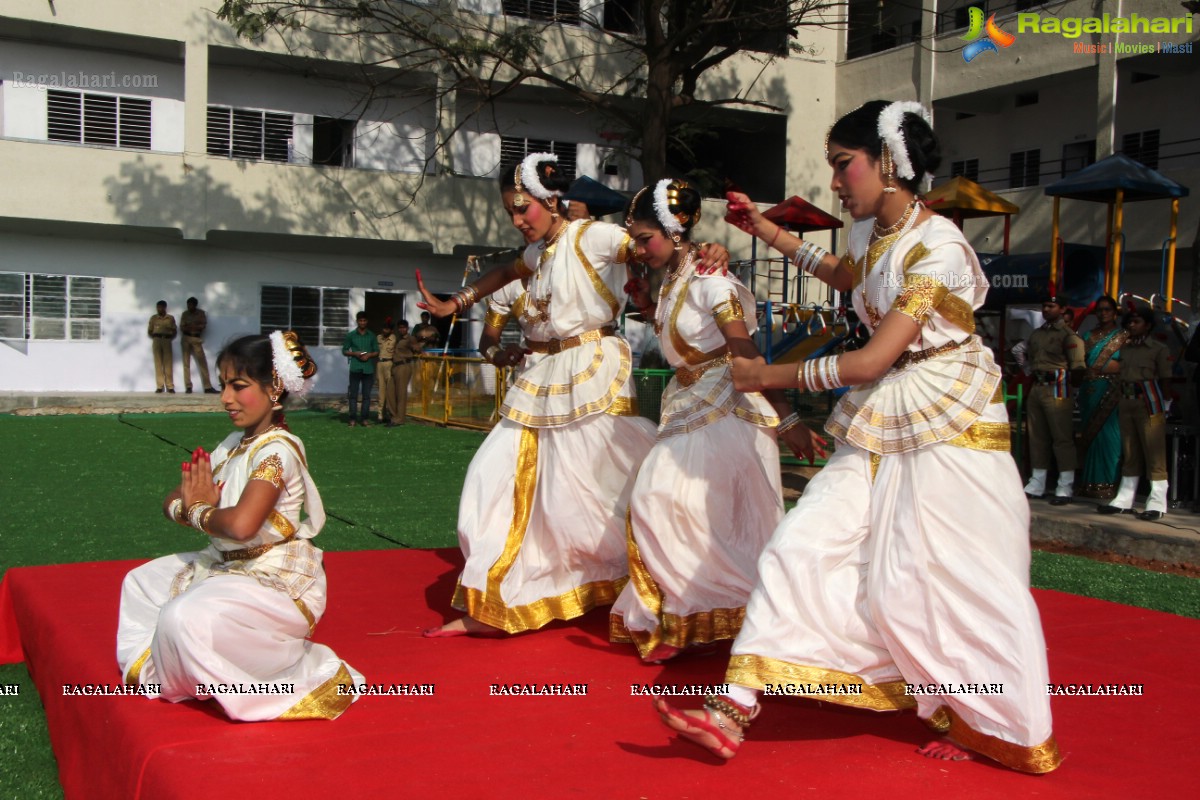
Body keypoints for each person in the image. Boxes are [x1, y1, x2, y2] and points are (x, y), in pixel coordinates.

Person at [654, 101, 1061, 774]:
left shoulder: (941, 250)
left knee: (944, 578)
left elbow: (872, 359)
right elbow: (852, 278)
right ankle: (732, 710)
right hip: (887, 410)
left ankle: (1000, 725)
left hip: (945, 421)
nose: (837, 184)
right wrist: (766, 230)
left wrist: (765, 375)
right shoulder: (880, 236)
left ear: (891, 162)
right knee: (799, 542)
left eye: (844, 166)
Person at [417, 152, 728, 637]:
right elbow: (502, 274)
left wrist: (704, 248)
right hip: (544, 373)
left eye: (524, 209)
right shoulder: (538, 254)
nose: (518, 220)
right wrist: (457, 301)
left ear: (552, 198)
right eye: (510, 213)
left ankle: (655, 576)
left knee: (592, 488)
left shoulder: (594, 236)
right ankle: (505, 596)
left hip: (591, 367)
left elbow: (653, 247)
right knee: (494, 475)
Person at [609, 178, 825, 662]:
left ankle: (718, 610)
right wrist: (644, 303)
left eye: (647, 239)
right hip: (689, 402)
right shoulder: (675, 281)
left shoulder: (713, 281)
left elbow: (745, 351)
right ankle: (703, 613)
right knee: (697, 514)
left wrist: (787, 418)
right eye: (637, 240)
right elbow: (682, 338)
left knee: (671, 501)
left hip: (728, 406)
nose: (640, 249)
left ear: (675, 230)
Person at [116, 331, 364, 720]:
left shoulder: (278, 451)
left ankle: (257, 675)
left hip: (274, 580)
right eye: (224, 386)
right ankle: (188, 672)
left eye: (239, 386)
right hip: (227, 564)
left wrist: (196, 511)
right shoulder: (234, 443)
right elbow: (172, 500)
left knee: (181, 617)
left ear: (275, 388)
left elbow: (243, 525)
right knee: (140, 583)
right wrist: (200, 510)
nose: (226, 398)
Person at [1098, 308, 1172, 520]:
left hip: (1148, 401)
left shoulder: (1158, 348)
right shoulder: (1126, 348)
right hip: (1127, 400)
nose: (1131, 325)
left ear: (1148, 325)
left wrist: (1167, 404)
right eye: (1129, 322)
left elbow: (1166, 378)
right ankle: (1124, 498)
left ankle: (1157, 502)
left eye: (1137, 321)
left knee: (1154, 451)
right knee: (1130, 450)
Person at [1021, 296, 1086, 504]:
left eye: (1051, 306)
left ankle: (1065, 485)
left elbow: (1077, 368)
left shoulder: (1068, 336)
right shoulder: (1037, 334)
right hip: (1038, 387)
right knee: (1037, 437)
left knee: (1062, 438)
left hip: (1058, 387)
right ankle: (1037, 483)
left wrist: (1070, 390)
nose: (1046, 309)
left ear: (1063, 309)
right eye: (1044, 306)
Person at [1077, 296, 1126, 499]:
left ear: (1115, 313)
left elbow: (1124, 363)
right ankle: (1089, 483)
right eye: (1100, 310)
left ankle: (1108, 483)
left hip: (1111, 390)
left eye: (1107, 310)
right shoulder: (1088, 335)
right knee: (1090, 433)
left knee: (1109, 436)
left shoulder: (1123, 336)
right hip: (1089, 390)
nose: (1103, 313)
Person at [342, 312, 379, 427]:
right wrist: (355, 353)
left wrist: (369, 355)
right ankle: (352, 419)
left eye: (364, 320)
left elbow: (377, 351)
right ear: (357, 321)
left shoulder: (371, 335)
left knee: (366, 395)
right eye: (360, 321)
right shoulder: (351, 335)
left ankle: (364, 419)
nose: (362, 323)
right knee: (353, 395)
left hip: (368, 368)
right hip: (355, 367)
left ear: (367, 321)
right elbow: (344, 350)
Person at [180, 296, 218, 394]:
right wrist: (194, 326)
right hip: (186, 339)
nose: (189, 307)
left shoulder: (201, 313)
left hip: (196, 339)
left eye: (191, 305)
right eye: (188, 305)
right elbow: (182, 327)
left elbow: (202, 326)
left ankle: (207, 387)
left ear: (195, 305)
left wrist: (191, 326)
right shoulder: (184, 314)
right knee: (186, 363)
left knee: (202, 363)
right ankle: (188, 386)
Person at [388, 319, 422, 426]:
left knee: (401, 393)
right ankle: (394, 416)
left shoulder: (410, 338)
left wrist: (416, 347)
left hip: (404, 366)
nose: (402, 329)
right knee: (390, 392)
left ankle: (400, 419)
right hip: (395, 366)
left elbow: (418, 349)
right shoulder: (398, 339)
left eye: (404, 327)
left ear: (407, 328)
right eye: (400, 328)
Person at [148, 300, 177, 393]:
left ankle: (170, 386)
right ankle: (159, 386)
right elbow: (150, 330)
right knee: (158, 363)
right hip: (156, 340)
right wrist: (156, 337)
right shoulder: (153, 318)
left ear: (165, 308)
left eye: (160, 307)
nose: (159, 309)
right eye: (157, 307)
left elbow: (174, 330)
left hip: (167, 340)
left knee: (168, 364)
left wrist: (168, 337)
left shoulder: (170, 318)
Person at [375, 318, 397, 424]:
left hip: (390, 363)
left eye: (387, 329)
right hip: (380, 364)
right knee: (381, 390)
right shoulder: (378, 338)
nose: (385, 330)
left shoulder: (394, 339)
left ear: (391, 330)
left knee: (390, 390)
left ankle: (390, 414)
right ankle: (380, 414)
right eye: (384, 328)